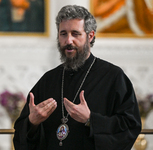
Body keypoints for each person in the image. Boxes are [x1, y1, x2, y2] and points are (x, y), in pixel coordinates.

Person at [13, 5, 141, 150]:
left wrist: (90, 119)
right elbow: (21, 134)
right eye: (63, 34)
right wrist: (32, 123)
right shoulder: (48, 79)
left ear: (90, 36)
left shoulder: (113, 77)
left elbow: (130, 126)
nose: (68, 41)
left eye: (75, 34)